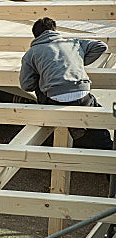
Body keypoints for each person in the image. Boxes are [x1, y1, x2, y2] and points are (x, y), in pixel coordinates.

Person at [19, 17, 113, 150]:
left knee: (41, 82)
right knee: (98, 122)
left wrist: (43, 74)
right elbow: (101, 46)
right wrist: (77, 61)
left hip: (54, 100)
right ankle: (103, 144)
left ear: (36, 36)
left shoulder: (31, 53)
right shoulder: (73, 42)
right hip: (83, 96)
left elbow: (26, 85)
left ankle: (75, 129)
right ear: (55, 30)